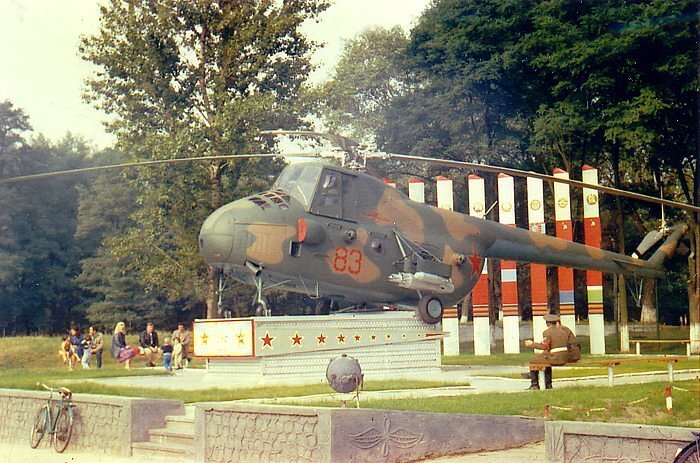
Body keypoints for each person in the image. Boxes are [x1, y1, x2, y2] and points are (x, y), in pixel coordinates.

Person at [523, 313, 570, 390]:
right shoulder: (563, 332)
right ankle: (548, 384)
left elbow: (544, 346)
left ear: (547, 323)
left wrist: (532, 344)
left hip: (555, 357)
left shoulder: (547, 332)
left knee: (533, 360)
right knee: (545, 360)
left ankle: (534, 384)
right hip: (564, 357)